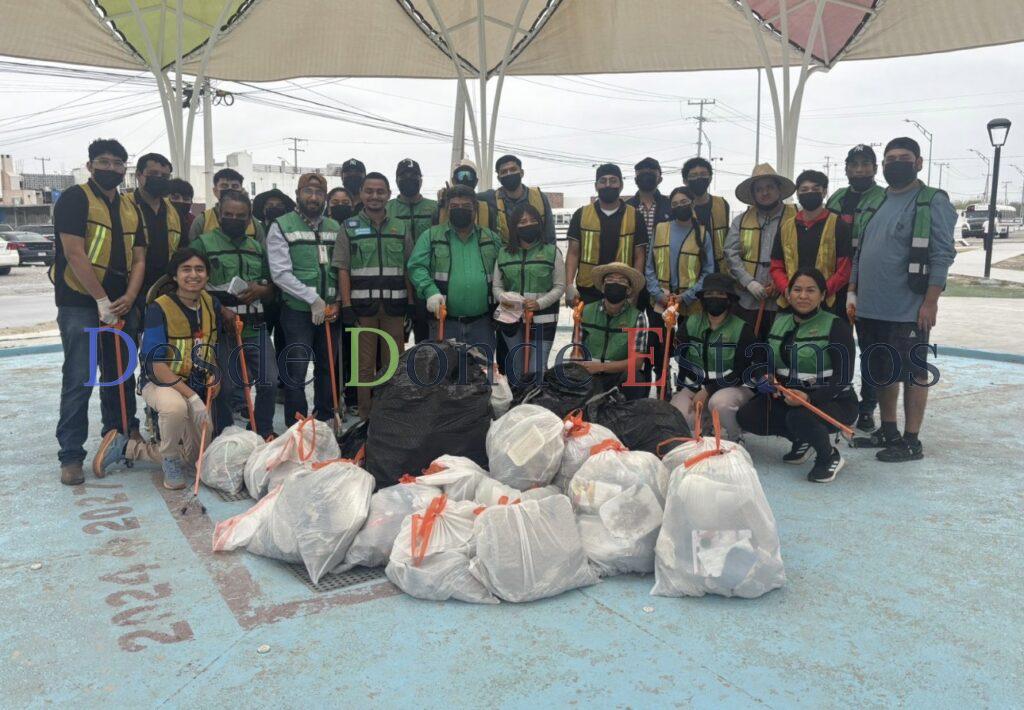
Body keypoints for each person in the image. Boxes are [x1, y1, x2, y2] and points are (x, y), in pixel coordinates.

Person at [848, 136, 956, 462]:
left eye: (904, 157)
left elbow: (942, 253)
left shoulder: (930, 200)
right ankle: (889, 430)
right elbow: (859, 253)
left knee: (913, 373)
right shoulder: (877, 201)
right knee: (882, 371)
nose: (897, 162)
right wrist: (853, 292)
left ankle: (911, 440)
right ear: (883, 166)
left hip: (908, 308)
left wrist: (930, 301)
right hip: (870, 308)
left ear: (918, 162)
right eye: (890, 158)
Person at [52, 138, 147, 486]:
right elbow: (75, 253)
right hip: (81, 303)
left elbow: (139, 257)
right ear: (91, 165)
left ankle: (118, 439)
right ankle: (71, 455)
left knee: (119, 376)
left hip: (121, 303)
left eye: (117, 164)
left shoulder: (128, 206)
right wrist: (100, 301)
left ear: (125, 169)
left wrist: (129, 296)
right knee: (79, 378)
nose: (110, 169)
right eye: (103, 162)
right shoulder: (76, 199)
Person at [94, 249, 223, 490]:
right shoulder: (158, 309)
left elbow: (209, 346)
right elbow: (157, 365)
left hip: (194, 383)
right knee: (175, 408)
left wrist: (214, 374)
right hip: (160, 382)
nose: (193, 275)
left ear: (207, 275)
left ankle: (126, 448)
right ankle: (169, 460)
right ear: (174, 275)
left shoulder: (210, 304)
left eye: (199, 269)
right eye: (186, 269)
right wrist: (193, 397)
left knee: (196, 457)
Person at [737, 268, 857, 483]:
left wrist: (809, 398)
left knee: (799, 416)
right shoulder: (778, 321)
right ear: (788, 294)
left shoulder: (836, 326)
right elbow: (761, 359)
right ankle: (802, 439)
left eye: (811, 290)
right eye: (798, 290)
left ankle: (828, 456)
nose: (803, 296)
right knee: (748, 416)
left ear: (822, 295)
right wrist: (765, 375)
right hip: (787, 395)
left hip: (832, 400)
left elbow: (843, 377)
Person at [191, 190, 278, 439]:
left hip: (254, 328)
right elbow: (190, 286)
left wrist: (263, 289)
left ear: (250, 218)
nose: (234, 219)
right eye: (228, 214)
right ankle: (225, 434)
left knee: (270, 381)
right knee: (225, 388)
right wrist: (220, 310)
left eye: (240, 215)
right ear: (219, 214)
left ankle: (262, 431)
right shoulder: (203, 245)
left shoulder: (257, 248)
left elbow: (271, 284)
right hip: (221, 330)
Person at [334, 172, 415, 420]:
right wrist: (346, 305)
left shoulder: (400, 227)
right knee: (364, 366)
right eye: (369, 191)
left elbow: (408, 267)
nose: (375, 196)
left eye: (380, 191)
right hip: (362, 309)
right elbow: (342, 268)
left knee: (393, 363)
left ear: (389, 195)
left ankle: (391, 415)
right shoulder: (348, 227)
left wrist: (411, 303)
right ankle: (366, 418)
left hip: (394, 308)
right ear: (361, 194)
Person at [266, 172, 342, 424]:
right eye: (307, 192)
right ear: (297, 195)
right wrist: (312, 299)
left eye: (319, 193)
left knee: (327, 368)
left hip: (330, 311)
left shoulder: (334, 227)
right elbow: (280, 273)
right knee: (296, 373)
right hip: (298, 311)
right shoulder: (282, 225)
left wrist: (336, 301)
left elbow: (342, 267)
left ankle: (325, 420)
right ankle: (297, 424)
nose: (313, 197)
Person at [826, 144, 886, 432]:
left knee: (870, 347)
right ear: (847, 168)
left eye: (866, 164)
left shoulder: (884, 198)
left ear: (875, 168)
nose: (860, 169)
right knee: (837, 344)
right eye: (855, 164)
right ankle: (839, 395)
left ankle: (867, 406)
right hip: (836, 284)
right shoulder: (836, 199)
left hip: (869, 285)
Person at [408, 185, 501, 354]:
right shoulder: (431, 236)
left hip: (483, 325)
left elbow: (506, 271)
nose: (460, 210)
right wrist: (430, 291)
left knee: (481, 375)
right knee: (444, 375)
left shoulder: (491, 239)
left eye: (466, 207)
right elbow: (416, 267)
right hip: (444, 322)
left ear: (475, 209)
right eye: (454, 207)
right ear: (447, 209)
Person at [671, 273, 756, 441]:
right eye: (709, 294)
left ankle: (734, 437)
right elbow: (680, 358)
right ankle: (706, 424)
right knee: (678, 417)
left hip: (732, 387)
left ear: (729, 298)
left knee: (719, 404)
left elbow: (742, 371)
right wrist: (682, 390)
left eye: (720, 294)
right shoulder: (689, 323)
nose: (714, 298)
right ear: (702, 298)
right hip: (695, 386)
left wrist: (708, 390)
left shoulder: (742, 329)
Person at [646, 186, 716, 386]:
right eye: (675, 204)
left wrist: (688, 296)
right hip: (661, 299)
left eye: (684, 202)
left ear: (692, 204)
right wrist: (657, 293)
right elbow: (650, 266)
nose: (679, 207)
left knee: (688, 344)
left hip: (690, 301)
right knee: (659, 344)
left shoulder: (702, 234)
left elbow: (708, 271)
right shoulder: (661, 229)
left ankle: (686, 384)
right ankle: (662, 380)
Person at [492, 203, 565, 385]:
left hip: (543, 320)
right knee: (516, 367)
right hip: (511, 318)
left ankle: (535, 407)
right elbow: (496, 287)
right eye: (522, 221)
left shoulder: (551, 252)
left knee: (536, 369)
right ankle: (517, 408)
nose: (528, 224)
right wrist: (509, 300)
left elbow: (559, 286)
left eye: (533, 220)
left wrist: (539, 303)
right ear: (514, 226)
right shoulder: (503, 253)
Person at [724, 164, 797, 338]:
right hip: (747, 300)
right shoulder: (740, 221)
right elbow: (730, 254)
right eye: (759, 189)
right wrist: (749, 282)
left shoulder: (795, 216)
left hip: (785, 299)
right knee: (748, 348)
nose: (765, 193)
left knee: (779, 350)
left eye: (770, 187)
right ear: (753, 194)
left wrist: (781, 283)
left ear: (779, 189)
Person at [769, 170, 852, 316]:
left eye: (815, 189)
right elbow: (776, 266)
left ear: (824, 192)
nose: (810, 192)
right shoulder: (786, 227)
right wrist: (788, 290)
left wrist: (820, 292)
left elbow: (844, 270)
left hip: (826, 305)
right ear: (798, 194)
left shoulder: (839, 225)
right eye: (804, 189)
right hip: (790, 304)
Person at [565, 163, 648, 306]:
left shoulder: (635, 216)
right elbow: (573, 253)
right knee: (586, 328)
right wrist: (568, 285)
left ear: (621, 185)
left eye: (613, 180)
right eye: (603, 181)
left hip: (622, 287)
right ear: (596, 186)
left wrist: (635, 289)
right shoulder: (581, 214)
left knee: (621, 329)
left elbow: (639, 256)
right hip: (588, 289)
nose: (608, 185)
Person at [576, 262, 649, 399]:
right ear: (603, 287)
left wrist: (601, 367)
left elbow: (637, 362)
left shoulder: (637, 317)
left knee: (635, 378)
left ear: (628, 290)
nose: (615, 283)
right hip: (588, 373)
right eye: (610, 280)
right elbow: (576, 350)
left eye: (621, 281)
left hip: (617, 375)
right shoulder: (585, 311)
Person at [386, 159, 438, 345]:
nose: (409, 179)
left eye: (414, 176)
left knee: (428, 341)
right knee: (395, 341)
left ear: (421, 180)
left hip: (427, 282)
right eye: (403, 176)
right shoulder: (387, 208)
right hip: (398, 284)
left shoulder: (435, 207)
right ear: (396, 180)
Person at [124, 153, 182, 308]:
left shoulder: (171, 210)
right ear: (138, 175)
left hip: (164, 288)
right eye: (153, 174)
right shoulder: (124, 205)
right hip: (128, 288)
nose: (159, 178)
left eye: (165, 175)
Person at [484, 154, 556, 246]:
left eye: (513, 169)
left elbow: (550, 234)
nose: (509, 174)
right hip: (507, 257)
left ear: (521, 173)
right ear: (498, 178)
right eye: (504, 172)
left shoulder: (539, 198)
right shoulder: (491, 199)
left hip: (537, 255)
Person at [188, 168, 265, 243]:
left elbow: (262, 252)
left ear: (241, 190)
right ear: (215, 191)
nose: (230, 189)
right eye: (224, 186)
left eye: (235, 186)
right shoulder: (202, 220)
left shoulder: (253, 223)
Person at [682, 157, 731, 272]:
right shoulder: (680, 207)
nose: (699, 178)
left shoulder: (722, 204)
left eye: (703, 174)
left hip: (719, 270)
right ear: (685, 181)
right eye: (693, 175)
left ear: (710, 178)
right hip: (689, 271)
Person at [435, 160, 495, 230]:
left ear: (476, 182)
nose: (465, 178)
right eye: (461, 175)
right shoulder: (442, 207)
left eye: (469, 176)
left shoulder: (487, 209)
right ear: (453, 181)